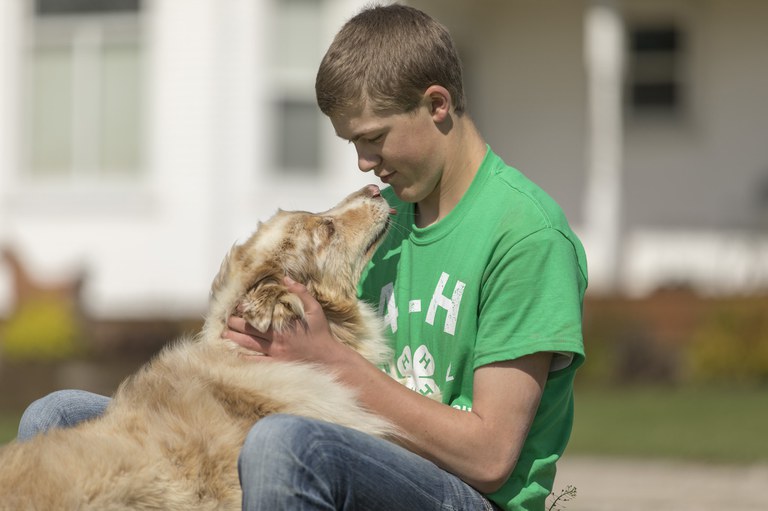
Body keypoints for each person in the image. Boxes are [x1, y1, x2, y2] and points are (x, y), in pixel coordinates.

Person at [18, 4, 587, 510]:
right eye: (352, 144)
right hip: (356, 444)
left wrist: (332, 363)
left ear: (436, 105)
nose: (364, 163)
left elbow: (489, 457)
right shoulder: (386, 217)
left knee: (285, 445)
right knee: (59, 415)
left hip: (459, 492)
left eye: (374, 138)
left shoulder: (524, 235)